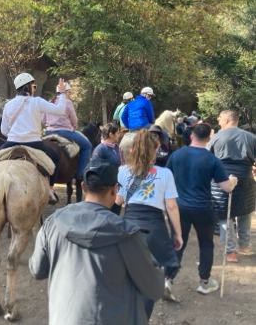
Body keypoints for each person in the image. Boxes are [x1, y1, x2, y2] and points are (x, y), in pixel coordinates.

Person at [29, 159, 164, 325]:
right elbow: (155, 288)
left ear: (84, 188)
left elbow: (37, 270)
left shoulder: (52, 223)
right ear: (114, 190)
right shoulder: (128, 234)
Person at [164, 124, 237, 298]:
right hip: (203, 207)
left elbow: (166, 177)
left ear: (191, 136)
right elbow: (226, 188)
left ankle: (167, 278)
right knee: (206, 244)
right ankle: (204, 281)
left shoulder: (176, 155)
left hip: (179, 206)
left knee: (177, 241)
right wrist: (233, 181)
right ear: (209, 138)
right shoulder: (212, 159)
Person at [115, 129, 182, 314]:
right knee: (150, 278)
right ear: (154, 151)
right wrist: (177, 234)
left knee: (127, 275)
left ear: (132, 149)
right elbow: (172, 207)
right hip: (155, 230)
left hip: (129, 227)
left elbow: (118, 201)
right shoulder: (165, 173)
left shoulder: (122, 171)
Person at [0, 73, 67, 203]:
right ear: (28, 86)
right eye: (33, 86)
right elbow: (60, 110)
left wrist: (17, 135)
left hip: (12, 143)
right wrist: (62, 93)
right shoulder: (37, 102)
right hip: (34, 143)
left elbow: (4, 130)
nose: (34, 89)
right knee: (56, 157)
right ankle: (50, 190)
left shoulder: (8, 105)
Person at [208, 110, 256, 262]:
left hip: (220, 181)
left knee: (224, 216)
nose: (218, 119)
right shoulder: (251, 137)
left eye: (220, 117)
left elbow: (207, 160)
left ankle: (230, 252)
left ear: (227, 120)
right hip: (245, 179)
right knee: (244, 212)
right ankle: (244, 245)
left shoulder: (215, 138)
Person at [42, 82, 92, 180]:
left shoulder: (48, 102)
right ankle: (80, 173)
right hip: (65, 132)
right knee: (87, 146)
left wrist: (49, 125)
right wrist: (74, 126)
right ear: (65, 92)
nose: (69, 94)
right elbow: (74, 119)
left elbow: (43, 120)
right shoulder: (67, 102)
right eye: (69, 92)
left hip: (48, 132)